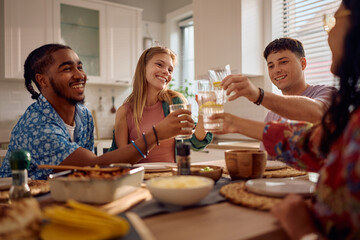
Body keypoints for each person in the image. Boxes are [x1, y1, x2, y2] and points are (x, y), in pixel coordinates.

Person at [211, 0, 360, 239]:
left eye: (334, 20)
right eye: (271, 65)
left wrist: (305, 232)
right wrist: (235, 124)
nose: (329, 30)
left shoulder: (329, 96)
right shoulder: (351, 120)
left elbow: (319, 115)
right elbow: (310, 141)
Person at [0, 44, 195, 180]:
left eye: (80, 67)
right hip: (18, 201)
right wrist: (157, 134)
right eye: (67, 69)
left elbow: (88, 172)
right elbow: (94, 165)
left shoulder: (83, 116)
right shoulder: (37, 126)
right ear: (42, 80)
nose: (80, 75)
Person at [109, 46, 212, 163]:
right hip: (140, 178)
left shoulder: (174, 102)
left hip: (170, 177)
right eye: (159, 64)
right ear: (143, 68)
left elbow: (195, 142)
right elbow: (120, 160)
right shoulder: (124, 111)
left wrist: (203, 112)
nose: (165, 72)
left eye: (170, 70)